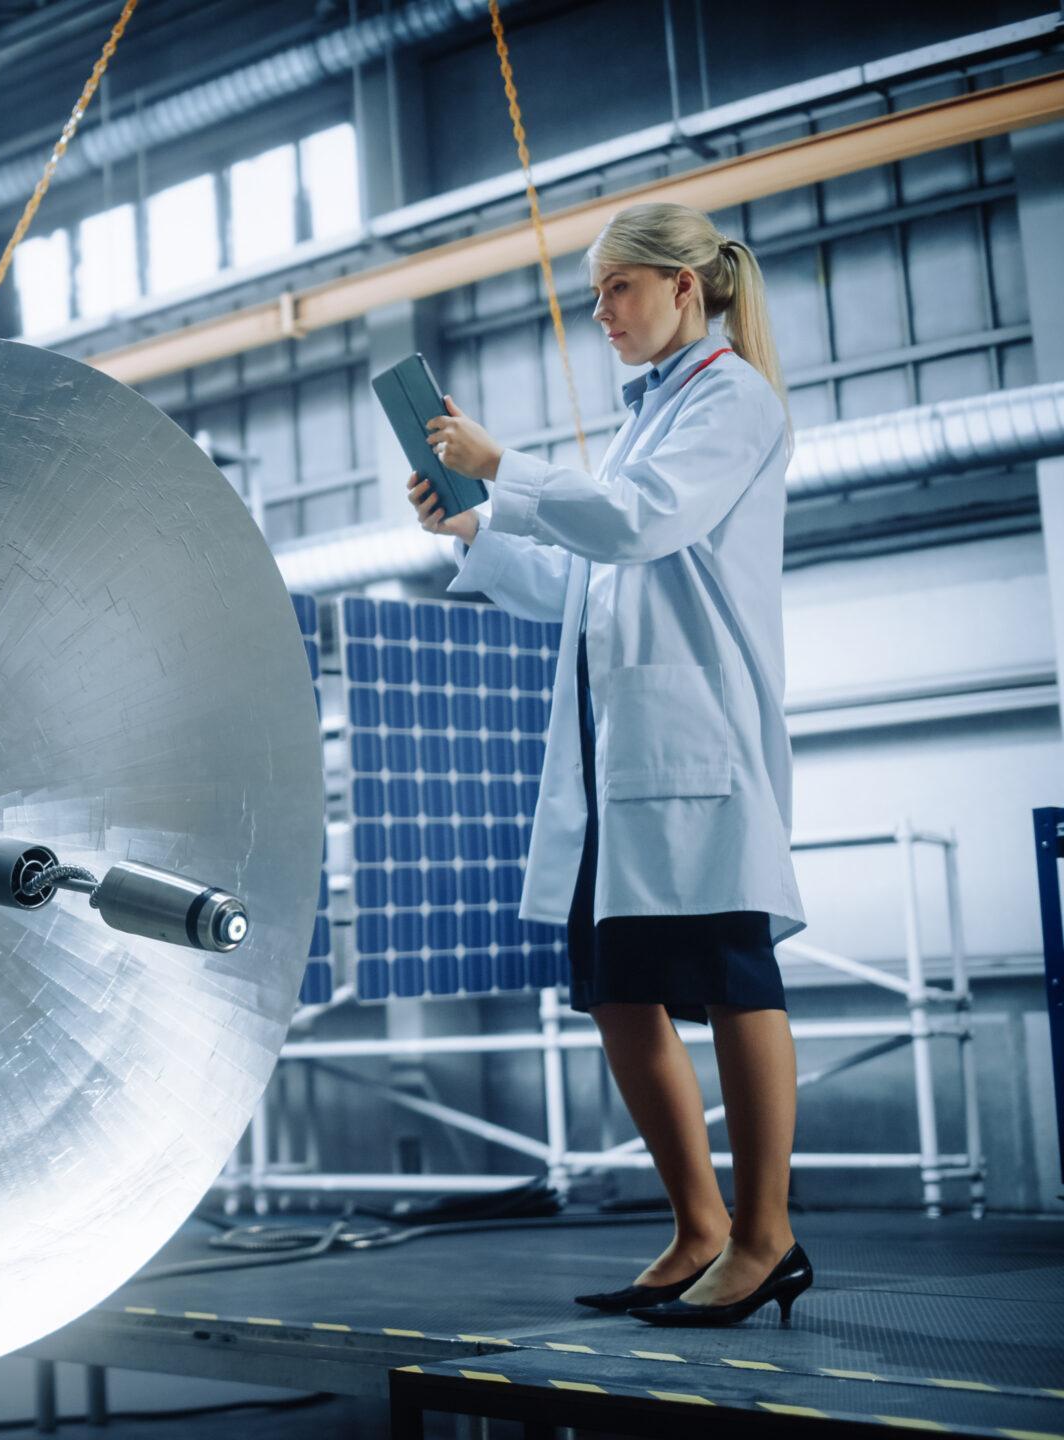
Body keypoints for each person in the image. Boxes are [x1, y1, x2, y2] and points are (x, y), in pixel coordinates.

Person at [405, 202, 812, 1328]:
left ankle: (768, 1235)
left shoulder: (732, 400)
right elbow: (586, 580)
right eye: (596, 294)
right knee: (618, 992)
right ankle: (699, 1226)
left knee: (733, 981)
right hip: (613, 749)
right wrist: (479, 530)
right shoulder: (647, 419)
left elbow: (637, 524)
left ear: (687, 288)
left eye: (617, 289)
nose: (600, 312)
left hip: (696, 743)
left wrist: (507, 467)